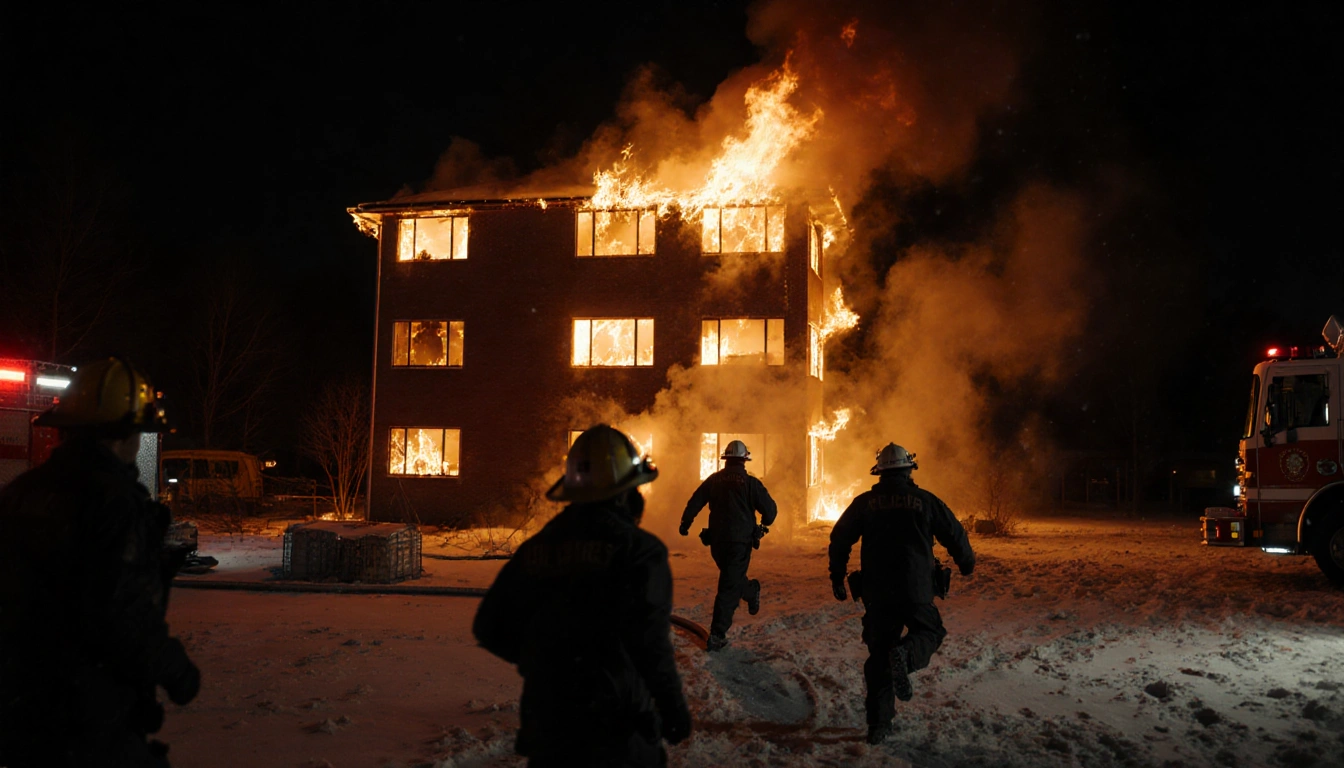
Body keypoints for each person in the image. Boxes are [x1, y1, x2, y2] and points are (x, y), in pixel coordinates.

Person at [0, 357, 201, 767]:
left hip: (19, 714)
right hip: (89, 718)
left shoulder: (20, 494)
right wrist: (177, 670)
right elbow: (118, 614)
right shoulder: (114, 506)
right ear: (121, 435)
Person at [473, 425, 691, 767]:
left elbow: (490, 626)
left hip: (549, 728)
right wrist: (673, 710)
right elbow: (650, 644)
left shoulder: (537, 548)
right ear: (625, 494)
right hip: (617, 733)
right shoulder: (639, 551)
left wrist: (548, 663)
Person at [828, 443, 975, 745]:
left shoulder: (865, 503)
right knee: (930, 632)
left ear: (879, 472)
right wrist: (966, 562)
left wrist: (837, 576)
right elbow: (954, 532)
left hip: (878, 593)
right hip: (916, 589)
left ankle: (878, 725)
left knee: (880, 654)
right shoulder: (925, 500)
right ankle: (906, 656)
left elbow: (840, 538)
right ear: (909, 470)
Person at [678, 439, 778, 652]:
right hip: (740, 543)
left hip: (718, 542)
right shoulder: (751, 483)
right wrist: (764, 523)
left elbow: (696, 500)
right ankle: (749, 592)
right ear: (744, 460)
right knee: (730, 583)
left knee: (728, 583)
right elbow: (770, 511)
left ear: (726, 459)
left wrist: (686, 522)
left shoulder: (714, 480)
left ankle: (717, 632)